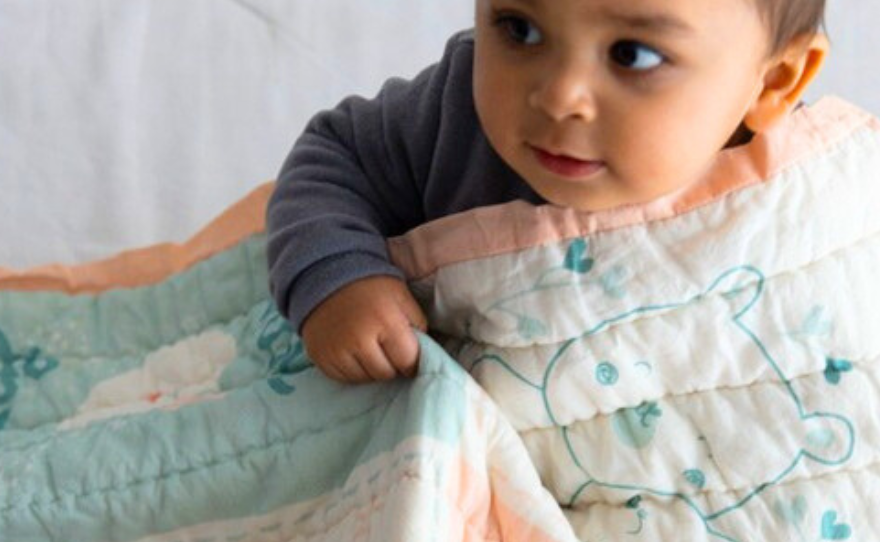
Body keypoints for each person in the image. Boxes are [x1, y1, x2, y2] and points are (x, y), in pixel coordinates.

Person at [266, 0, 828, 383]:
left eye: (632, 54)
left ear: (775, 81)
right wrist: (337, 276)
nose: (560, 96)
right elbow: (334, 156)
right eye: (519, 29)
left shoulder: (804, 206)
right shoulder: (451, 113)